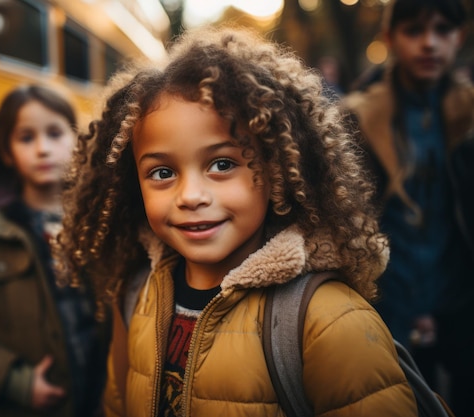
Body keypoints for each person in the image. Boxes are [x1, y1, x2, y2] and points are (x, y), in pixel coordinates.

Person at [55, 25, 419, 417]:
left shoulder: (330, 323)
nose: (191, 196)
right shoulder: (135, 297)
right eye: (162, 173)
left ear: (277, 170)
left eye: (222, 164)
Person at [0, 84, 111, 417]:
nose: (42, 148)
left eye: (55, 133)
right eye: (26, 138)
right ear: (6, 152)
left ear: (78, 140)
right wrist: (17, 382)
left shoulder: (106, 223)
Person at [341, 1, 474, 414]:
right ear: (390, 37)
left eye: (442, 30)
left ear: (460, 36)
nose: (429, 43)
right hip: (388, 301)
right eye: (415, 30)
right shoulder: (358, 119)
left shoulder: (468, 115)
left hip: (461, 298)